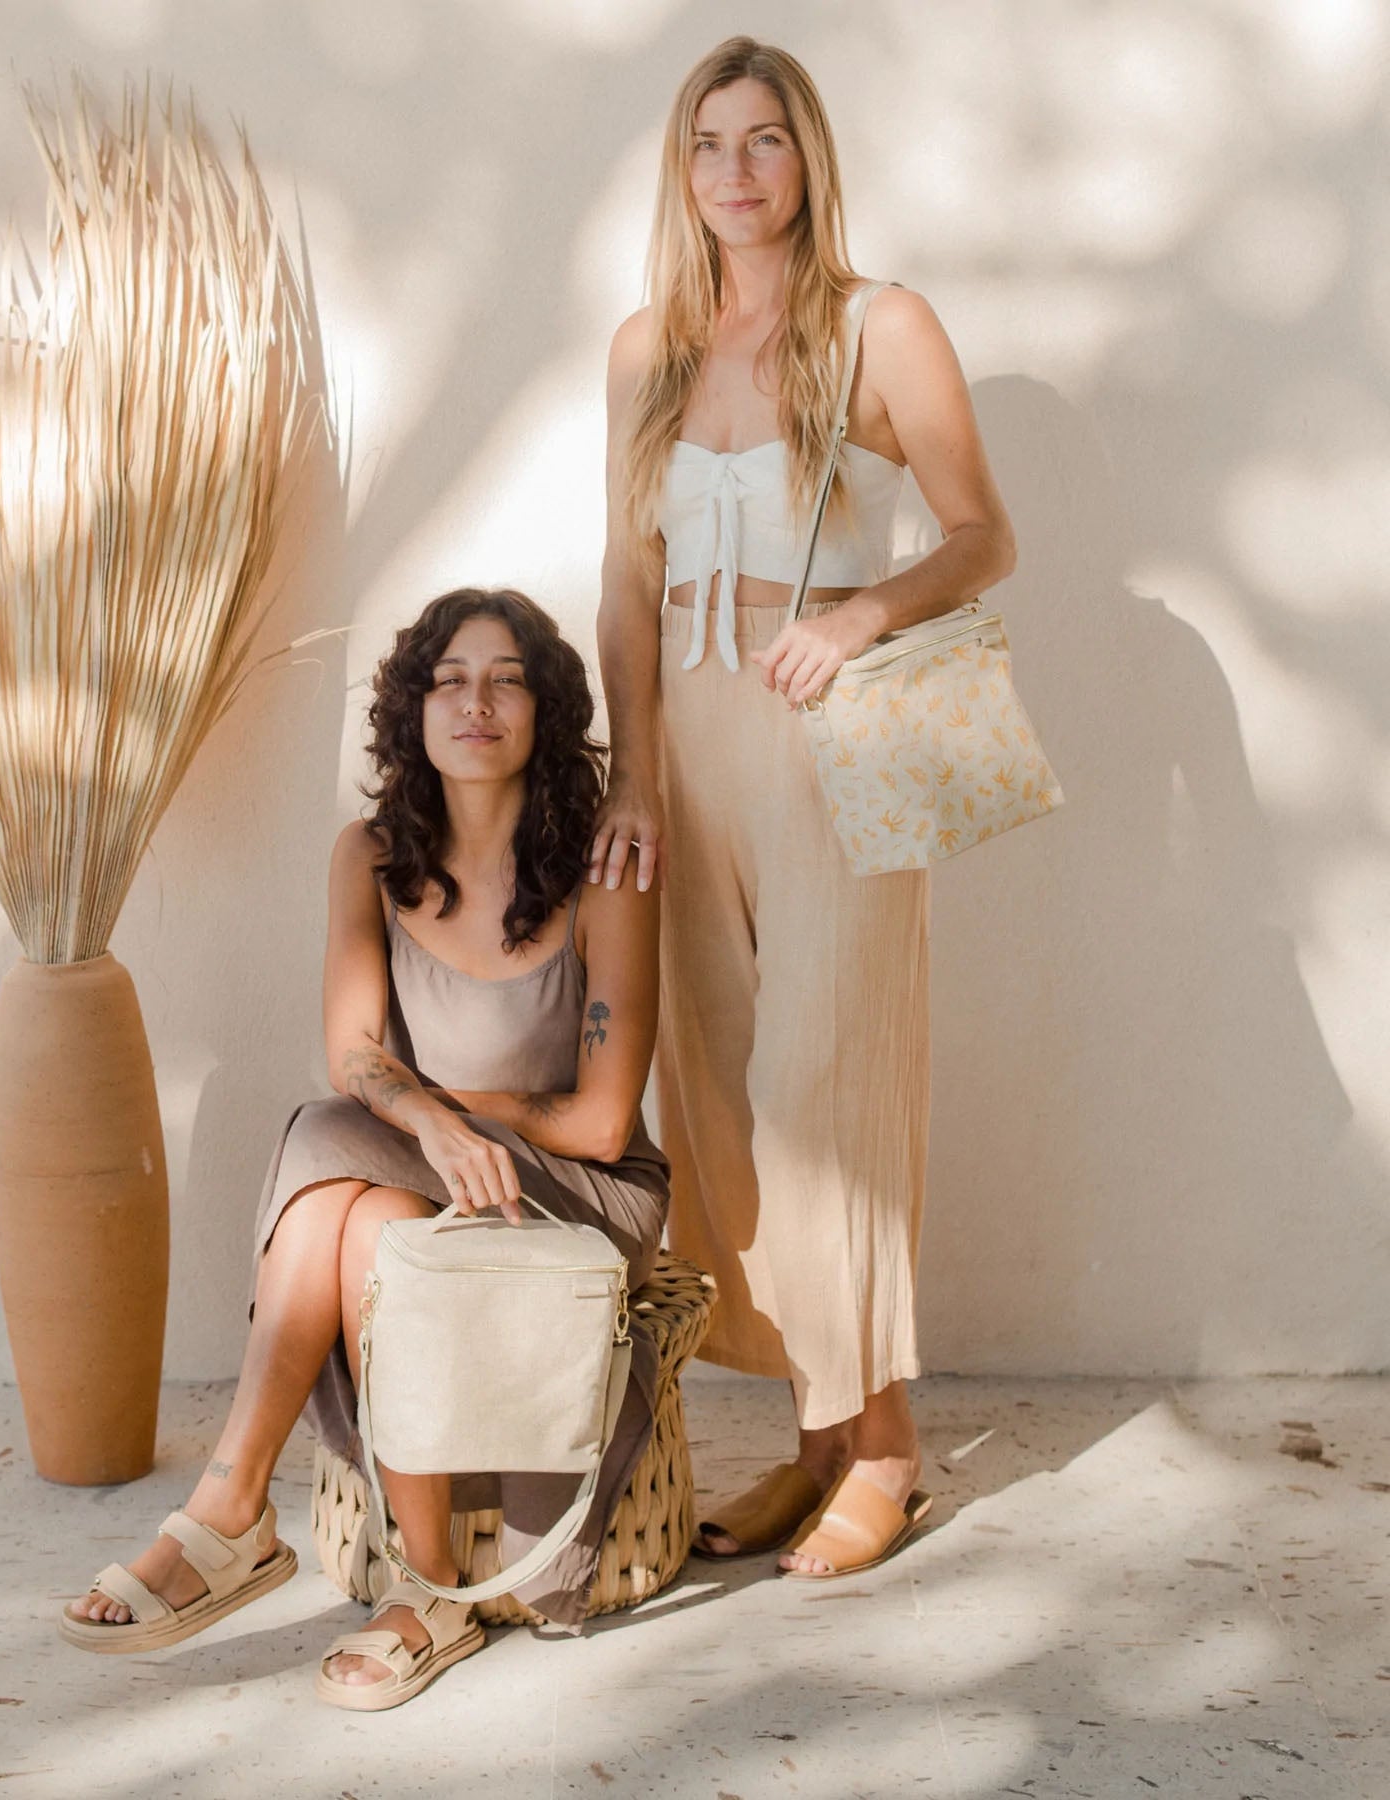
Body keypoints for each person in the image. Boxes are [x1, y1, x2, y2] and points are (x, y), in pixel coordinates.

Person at [58, 586, 668, 1705]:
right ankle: (428, 1591)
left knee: (325, 1139)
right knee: (360, 1212)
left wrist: (437, 1106)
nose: (475, 702)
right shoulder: (371, 857)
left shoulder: (603, 868)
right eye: (448, 680)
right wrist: (427, 1121)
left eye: (506, 679)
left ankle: (228, 1513)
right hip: (421, 1174)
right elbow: (355, 1054)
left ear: (545, 709)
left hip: (582, 1196)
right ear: (413, 711)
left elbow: (597, 1122)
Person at [592, 36, 1017, 1577]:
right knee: (715, 1101)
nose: (738, 170)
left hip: (835, 743)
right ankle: (813, 1434)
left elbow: (983, 537)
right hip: (689, 759)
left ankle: (887, 1446)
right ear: (683, 169)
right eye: (711, 144)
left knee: (822, 1092)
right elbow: (627, 586)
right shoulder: (648, 346)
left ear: (807, 158)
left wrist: (858, 615)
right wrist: (632, 769)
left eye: (766, 140)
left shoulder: (878, 325)